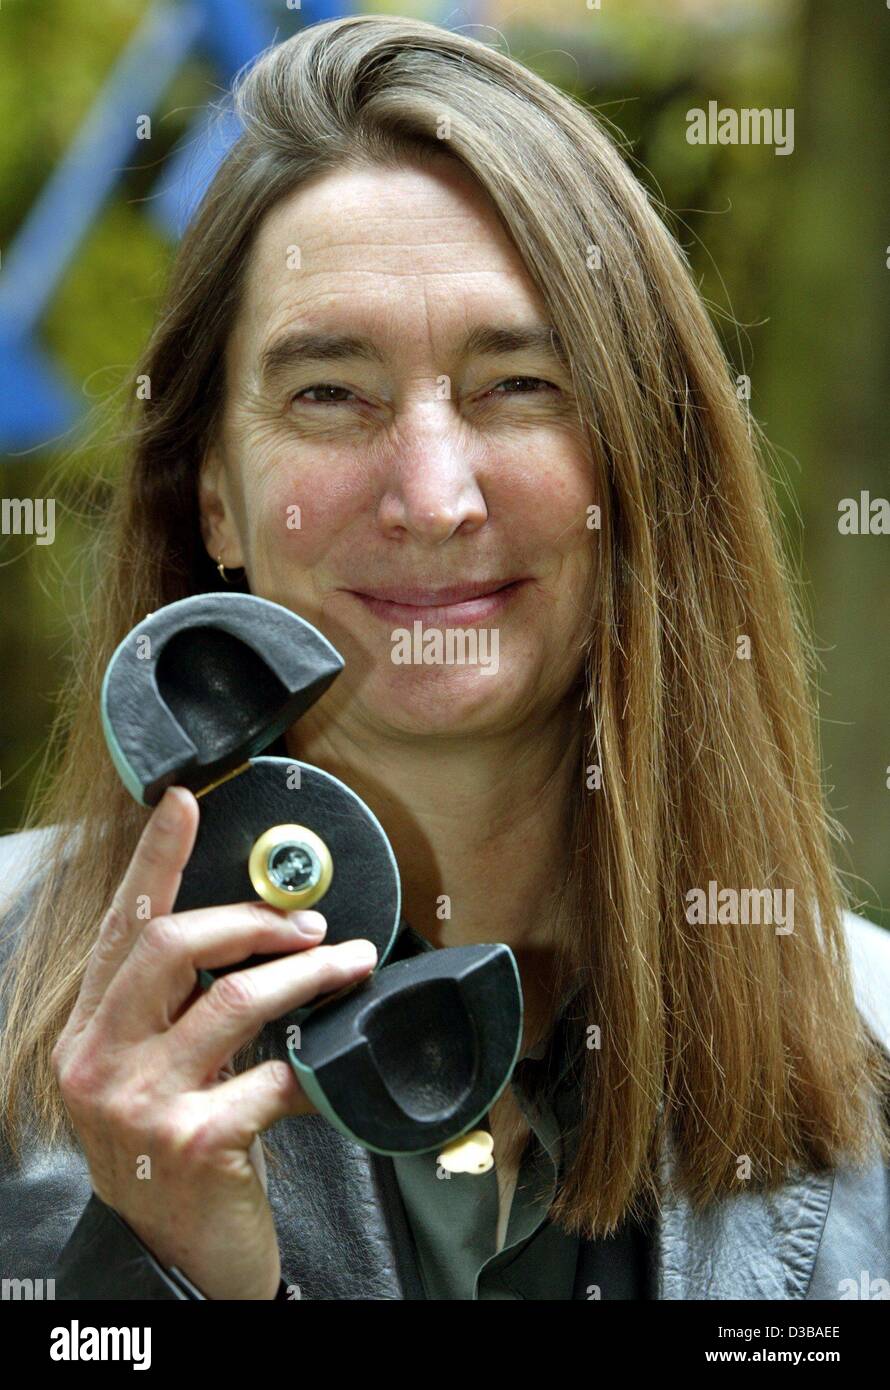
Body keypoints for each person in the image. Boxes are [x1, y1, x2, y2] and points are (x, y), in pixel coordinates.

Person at [1, 14, 888, 1302]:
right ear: (213, 497)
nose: (430, 495)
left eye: (518, 384)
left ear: (641, 464)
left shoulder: (872, 1049)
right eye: (329, 395)